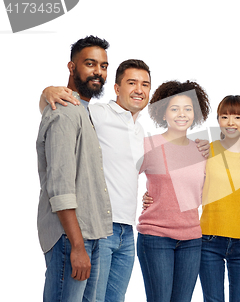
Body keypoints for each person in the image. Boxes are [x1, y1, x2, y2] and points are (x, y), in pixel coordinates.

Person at [39, 59, 152, 302]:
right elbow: (60, 109)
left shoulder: (140, 129)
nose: (139, 90)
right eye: (131, 83)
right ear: (117, 88)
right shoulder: (98, 113)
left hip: (127, 232)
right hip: (101, 229)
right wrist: (46, 92)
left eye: (145, 84)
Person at [36, 35, 113, 302]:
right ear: (71, 67)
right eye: (90, 64)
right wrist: (77, 246)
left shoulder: (83, 110)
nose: (98, 72)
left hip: (89, 233)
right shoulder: (64, 113)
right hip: (70, 236)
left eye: (103, 66)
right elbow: (61, 187)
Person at [137, 80, 210, 302]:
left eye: (188, 108)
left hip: (191, 239)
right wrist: (146, 196)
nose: (182, 114)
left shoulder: (201, 150)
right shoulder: (148, 145)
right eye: (174, 108)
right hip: (156, 237)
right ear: (164, 112)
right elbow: (122, 179)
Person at [198, 95, 240, 302]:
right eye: (225, 117)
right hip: (209, 239)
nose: (230, 123)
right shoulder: (206, 151)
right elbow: (189, 188)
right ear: (218, 120)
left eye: (237, 117)